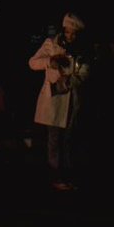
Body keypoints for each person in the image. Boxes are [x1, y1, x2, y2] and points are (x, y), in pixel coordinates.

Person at [28, 13, 89, 190]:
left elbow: (84, 72)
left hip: (72, 100)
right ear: (64, 31)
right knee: (54, 140)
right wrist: (50, 61)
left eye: (74, 34)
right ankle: (56, 176)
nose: (71, 37)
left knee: (68, 140)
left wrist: (70, 81)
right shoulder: (51, 45)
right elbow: (32, 63)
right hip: (53, 100)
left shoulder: (81, 50)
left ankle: (68, 175)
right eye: (69, 33)